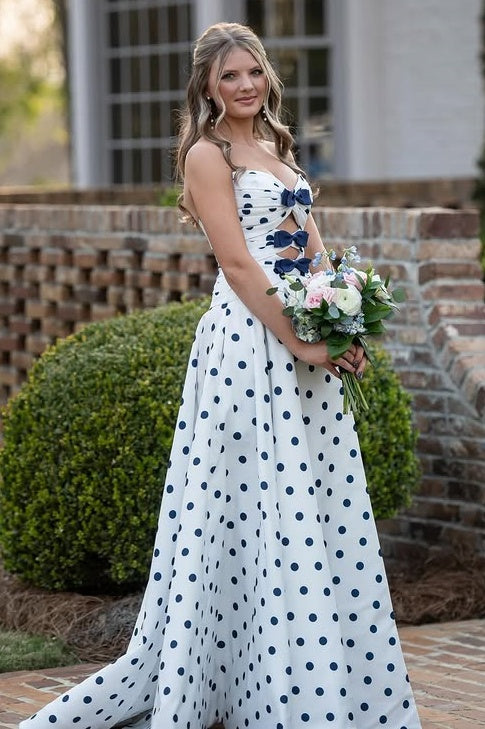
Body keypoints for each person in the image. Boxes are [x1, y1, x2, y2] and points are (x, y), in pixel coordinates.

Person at [20, 22, 422, 729]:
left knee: (308, 504)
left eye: (253, 71)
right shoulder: (208, 156)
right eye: (229, 75)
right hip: (250, 343)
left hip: (304, 336)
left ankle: (311, 683)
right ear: (206, 86)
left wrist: (342, 329)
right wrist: (299, 343)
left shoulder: (276, 147)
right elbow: (237, 263)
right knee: (248, 504)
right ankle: (236, 686)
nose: (245, 85)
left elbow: (313, 249)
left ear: (267, 76)